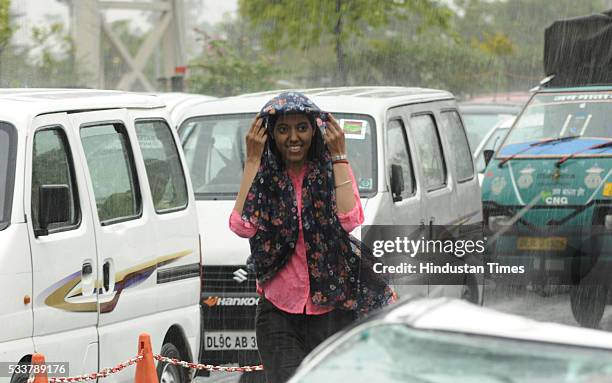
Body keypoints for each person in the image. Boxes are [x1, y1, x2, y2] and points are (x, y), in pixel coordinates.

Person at [229, 92, 393, 383]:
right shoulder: (265, 176)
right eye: (283, 129)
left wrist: (339, 156)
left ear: (314, 131)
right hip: (278, 312)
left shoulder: (330, 170)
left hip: (332, 309)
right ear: (271, 135)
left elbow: (350, 219)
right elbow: (242, 226)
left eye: (301, 128)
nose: (293, 137)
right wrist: (253, 160)